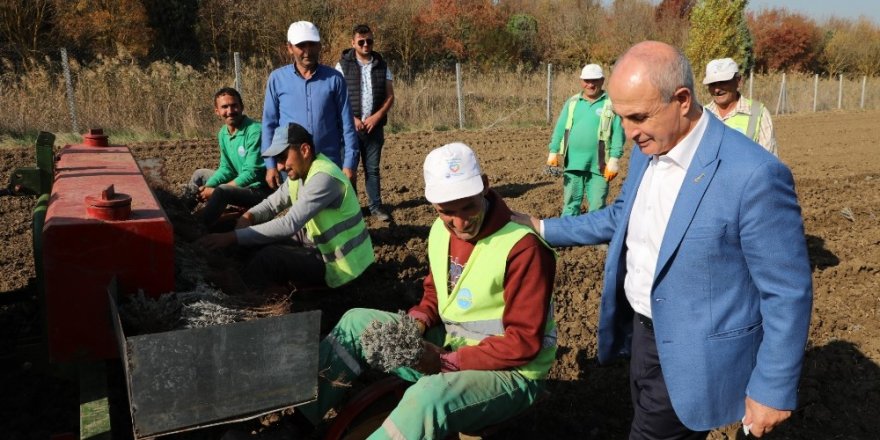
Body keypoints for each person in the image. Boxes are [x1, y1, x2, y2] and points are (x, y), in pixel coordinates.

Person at [513, 41, 812, 439]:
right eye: (621, 118)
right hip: (643, 338)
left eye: (638, 117)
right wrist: (544, 227)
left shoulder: (753, 174)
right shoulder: (648, 149)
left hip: (696, 352)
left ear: (682, 100)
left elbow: (787, 290)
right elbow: (621, 216)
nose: (627, 133)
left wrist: (773, 387)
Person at [293, 142, 557, 438]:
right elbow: (435, 294)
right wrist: (416, 324)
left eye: (469, 206)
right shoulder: (439, 232)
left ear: (484, 186)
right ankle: (297, 422)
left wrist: (444, 362)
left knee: (428, 398)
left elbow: (523, 342)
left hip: (513, 373)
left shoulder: (523, 248)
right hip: (453, 347)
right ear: (433, 204)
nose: (460, 223)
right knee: (356, 324)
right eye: (447, 212)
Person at [197, 123, 374, 293]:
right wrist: (248, 217)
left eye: (283, 157)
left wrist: (231, 237)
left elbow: (289, 223)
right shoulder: (300, 173)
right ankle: (238, 275)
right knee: (256, 242)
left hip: (341, 263)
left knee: (270, 257)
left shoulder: (324, 178)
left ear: (305, 150)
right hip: (317, 241)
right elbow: (271, 204)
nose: (279, 166)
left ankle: (240, 294)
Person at [261, 20, 359, 190]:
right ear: (289, 47)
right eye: (301, 46)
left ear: (319, 46)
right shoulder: (277, 79)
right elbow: (269, 124)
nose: (307, 51)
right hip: (291, 166)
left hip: (328, 164)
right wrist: (270, 165)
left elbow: (347, 125)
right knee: (296, 206)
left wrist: (349, 164)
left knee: (330, 207)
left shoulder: (335, 79)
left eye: (312, 44)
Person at [546, 63, 625, 216]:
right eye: (587, 81)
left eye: (594, 80)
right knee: (570, 205)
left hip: (599, 166)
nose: (590, 84)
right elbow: (560, 127)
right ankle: (568, 230)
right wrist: (553, 151)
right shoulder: (573, 102)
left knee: (597, 206)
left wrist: (614, 159)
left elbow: (618, 134)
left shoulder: (611, 104)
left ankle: (595, 232)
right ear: (581, 81)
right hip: (573, 164)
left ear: (602, 81)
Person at [336, 24, 395, 222]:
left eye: (369, 41)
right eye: (361, 42)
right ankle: (352, 208)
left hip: (374, 129)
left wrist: (376, 117)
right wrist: (351, 119)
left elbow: (390, 96)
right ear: (353, 43)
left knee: (373, 170)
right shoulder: (341, 66)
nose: (365, 45)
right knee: (349, 170)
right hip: (349, 129)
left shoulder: (382, 65)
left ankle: (375, 207)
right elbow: (336, 98)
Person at [187, 87, 269, 229]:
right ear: (217, 111)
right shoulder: (223, 133)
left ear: (242, 107)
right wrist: (208, 187)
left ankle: (199, 228)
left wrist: (214, 191)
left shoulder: (255, 131)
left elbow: (252, 174)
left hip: (257, 190)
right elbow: (226, 168)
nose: (230, 111)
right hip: (239, 182)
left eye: (234, 105)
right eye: (224, 107)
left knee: (222, 191)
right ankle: (182, 214)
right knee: (200, 175)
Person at [703, 57, 778, 156]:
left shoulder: (758, 113)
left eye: (723, 82)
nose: (717, 90)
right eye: (712, 84)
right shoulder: (702, 115)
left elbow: (769, 158)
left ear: (738, 81)